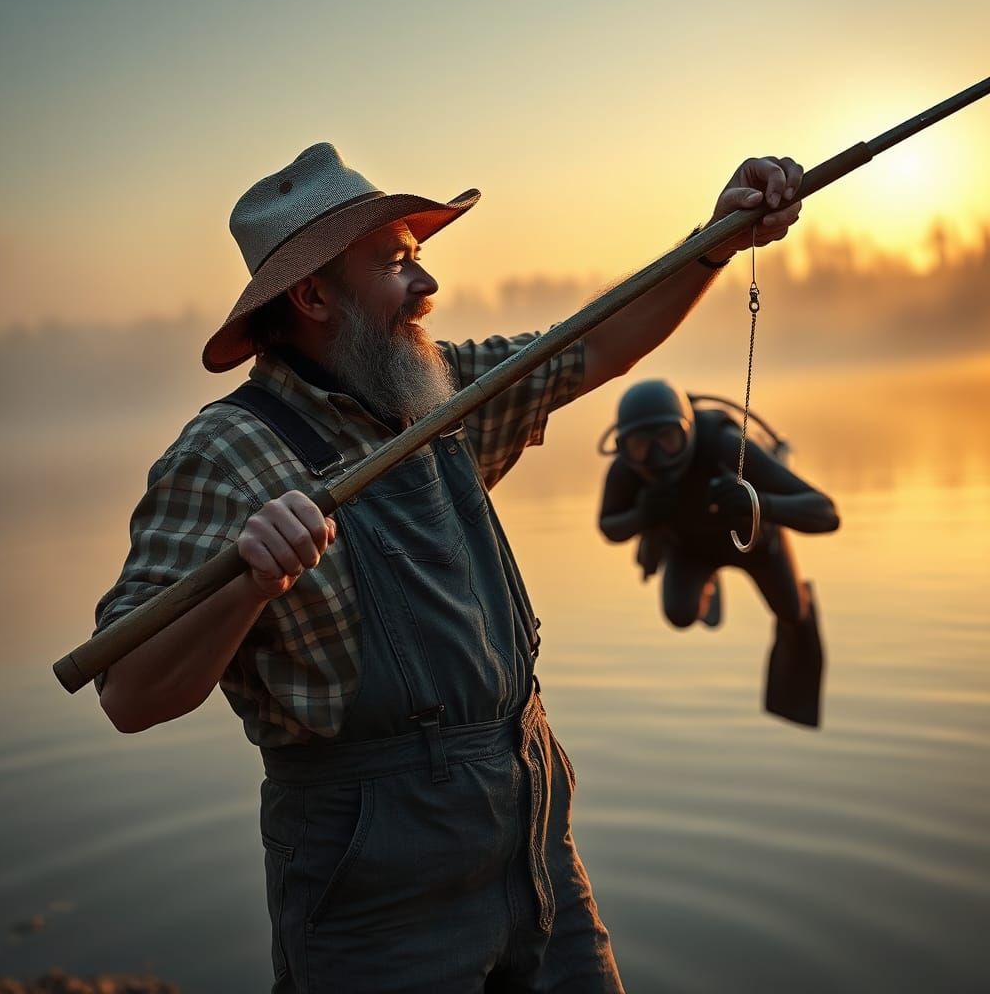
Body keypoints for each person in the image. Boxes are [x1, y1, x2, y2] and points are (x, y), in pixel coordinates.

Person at [93, 142, 803, 993]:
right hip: (375, 894)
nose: (426, 286)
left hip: (535, 842)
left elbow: (599, 345)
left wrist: (717, 240)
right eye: (396, 265)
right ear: (313, 295)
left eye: (417, 260)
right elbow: (130, 694)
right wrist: (251, 582)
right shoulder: (222, 455)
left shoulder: (438, 391)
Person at [597, 380, 840, 727]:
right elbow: (609, 527)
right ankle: (707, 581)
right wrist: (644, 514)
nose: (655, 457)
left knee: (792, 613)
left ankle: (798, 605)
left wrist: (757, 502)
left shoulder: (728, 448)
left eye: (667, 439)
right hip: (690, 548)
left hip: (758, 544)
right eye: (640, 446)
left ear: (689, 432)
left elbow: (827, 513)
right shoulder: (628, 469)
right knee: (680, 614)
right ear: (623, 447)